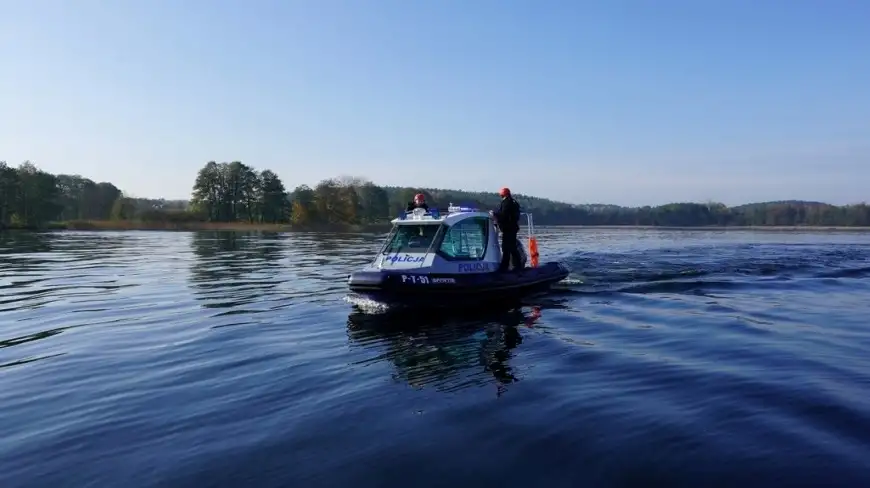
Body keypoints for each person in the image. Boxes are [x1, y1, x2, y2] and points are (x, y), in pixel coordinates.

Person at [490, 187, 522, 272]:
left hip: (508, 229)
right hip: (512, 228)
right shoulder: (513, 202)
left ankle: (505, 267)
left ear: (502, 194)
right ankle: (516, 266)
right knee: (511, 247)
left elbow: (503, 215)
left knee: (507, 248)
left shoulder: (506, 203)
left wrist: (494, 214)